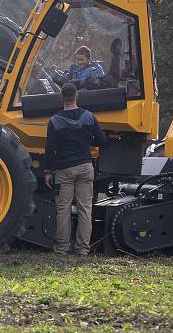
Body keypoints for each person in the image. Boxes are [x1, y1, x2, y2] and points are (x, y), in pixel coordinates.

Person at [44, 83, 108, 256]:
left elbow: (50, 149)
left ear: (62, 97)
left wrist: (48, 171)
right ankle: (83, 250)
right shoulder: (89, 117)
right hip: (85, 167)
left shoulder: (55, 121)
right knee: (85, 208)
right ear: (76, 96)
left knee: (63, 209)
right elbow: (102, 141)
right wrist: (87, 141)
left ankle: (62, 249)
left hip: (64, 169)